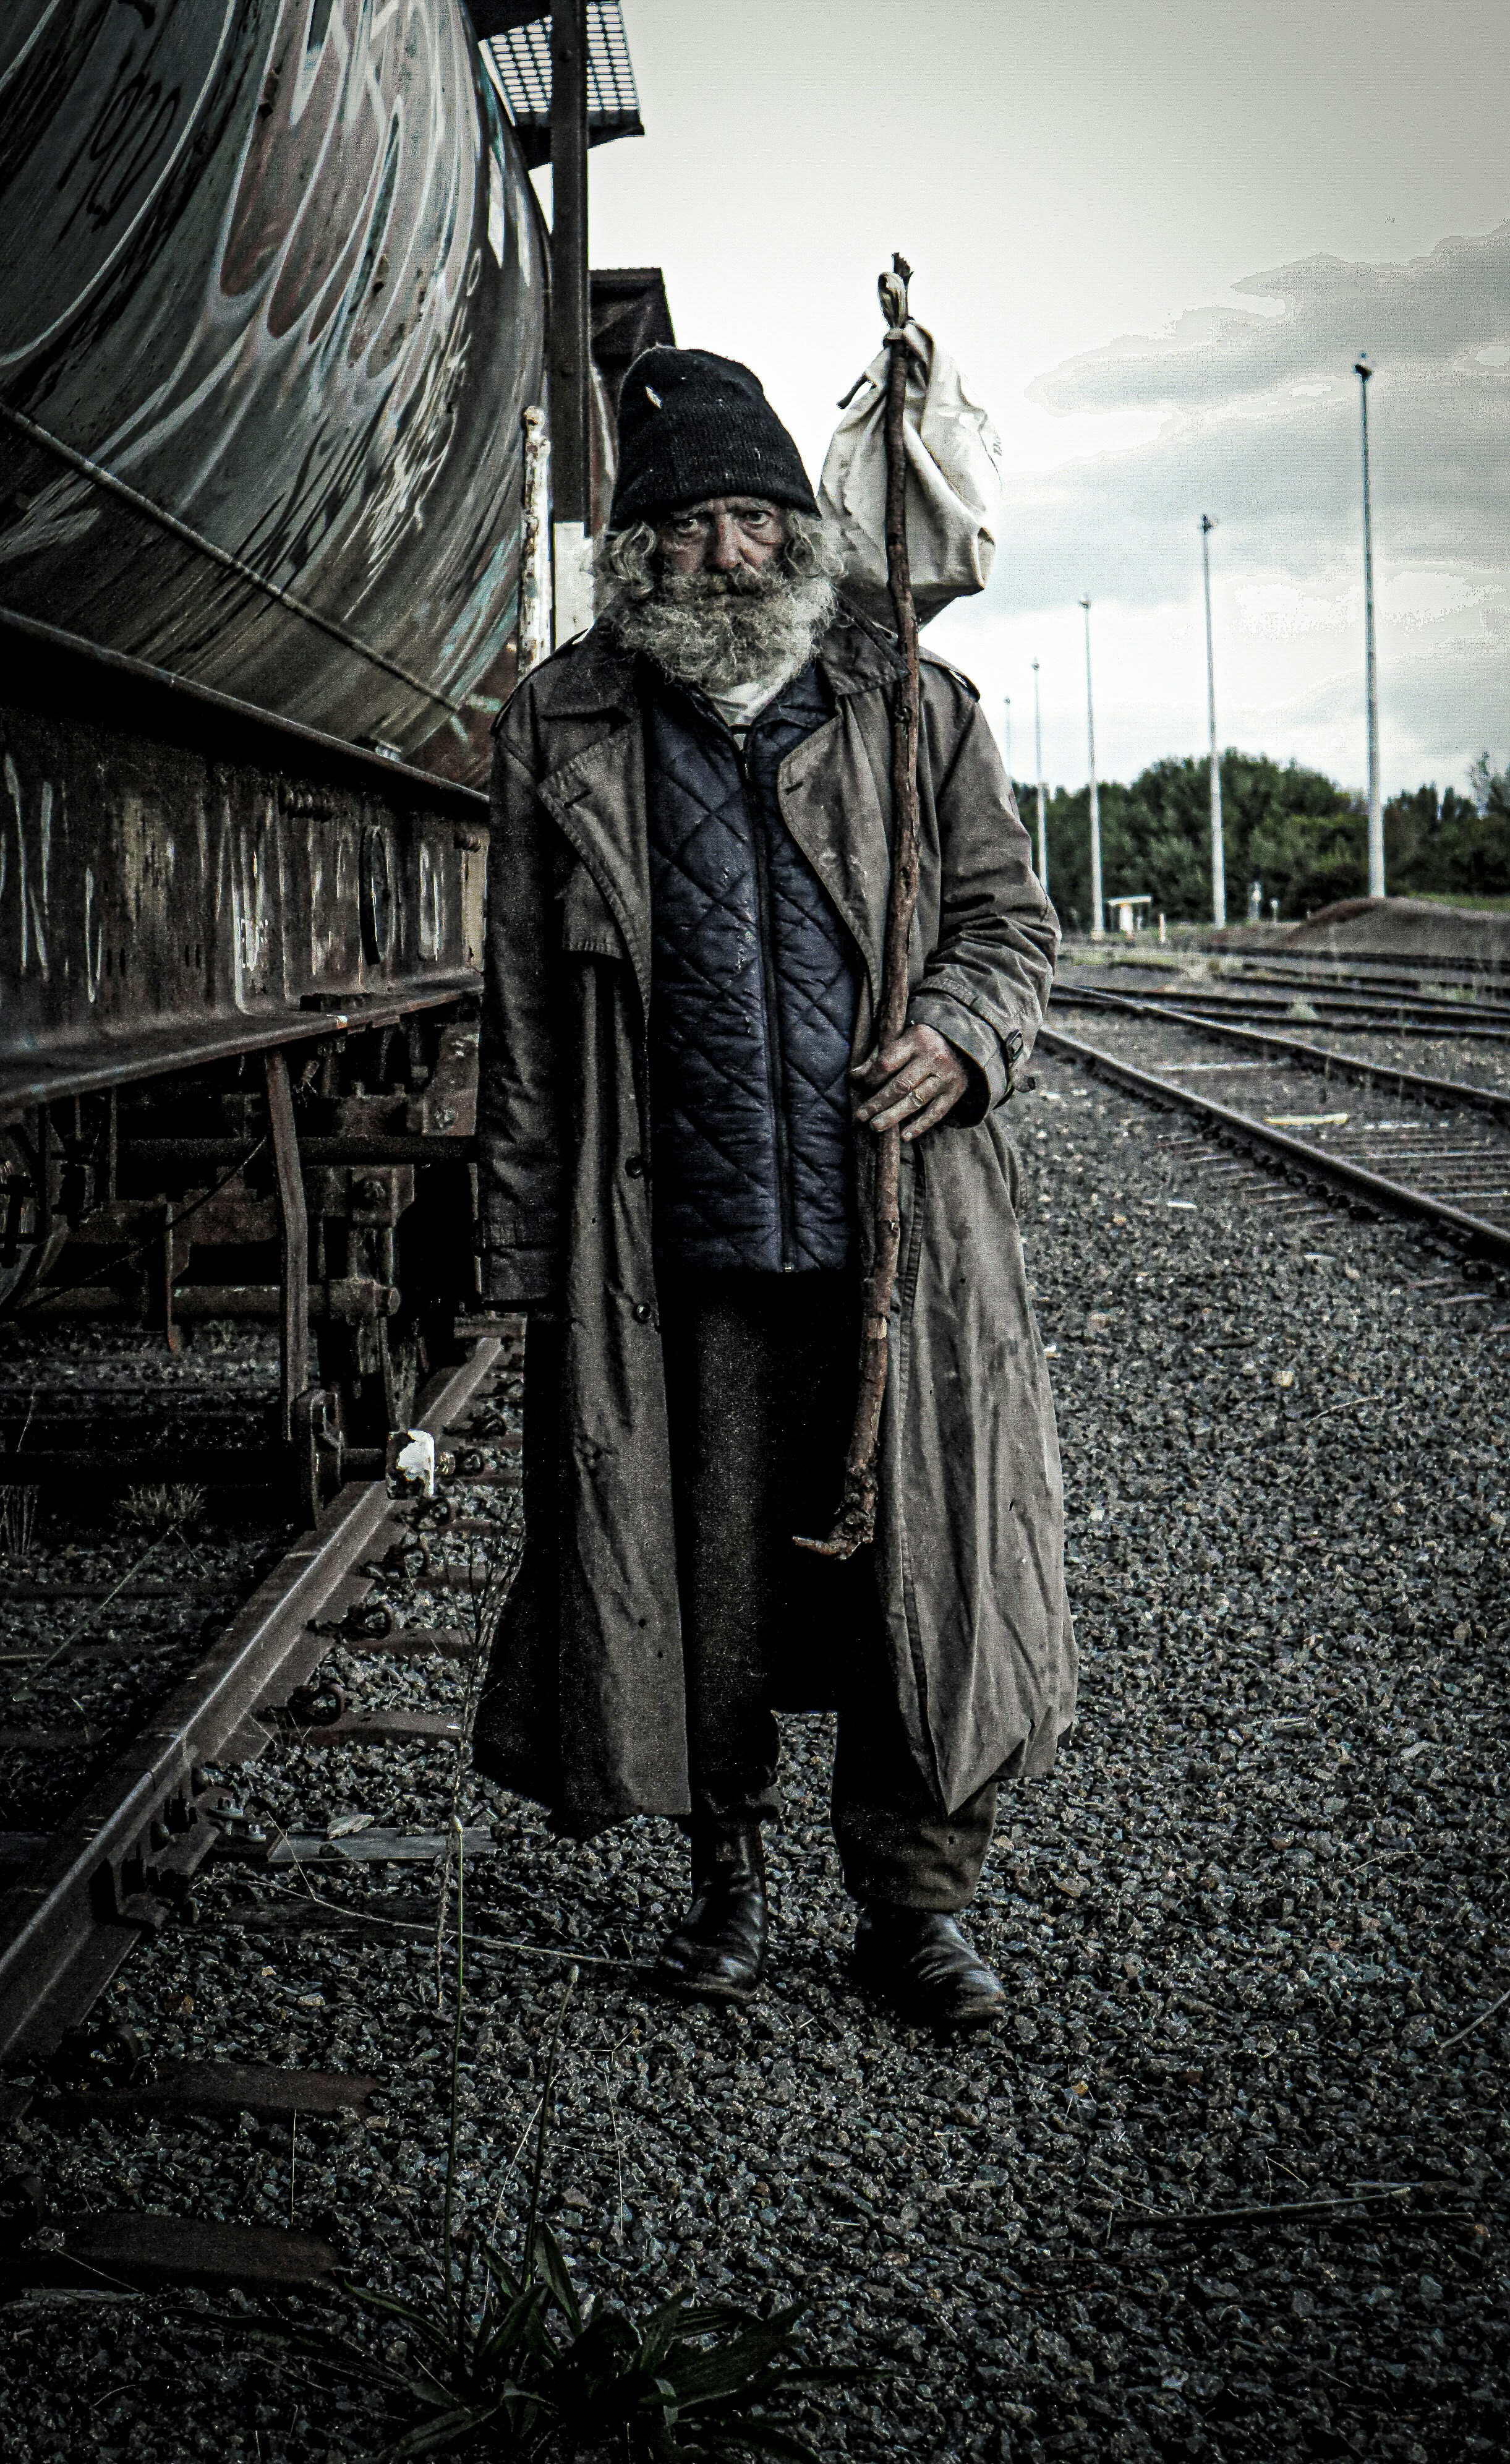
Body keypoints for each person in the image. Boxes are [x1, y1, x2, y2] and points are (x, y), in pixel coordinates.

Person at [472, 348, 1074, 2032]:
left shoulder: (913, 707)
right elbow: (522, 1010)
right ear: (635, 556)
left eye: (757, 519)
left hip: (896, 1247)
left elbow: (1012, 932)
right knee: (697, 1586)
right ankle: (722, 1883)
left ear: (805, 534)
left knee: (923, 1583)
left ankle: (914, 1908)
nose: (729, 555)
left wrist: (959, 1038)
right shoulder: (560, 726)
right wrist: (526, 1258)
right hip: (673, 1247)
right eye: (690, 527)